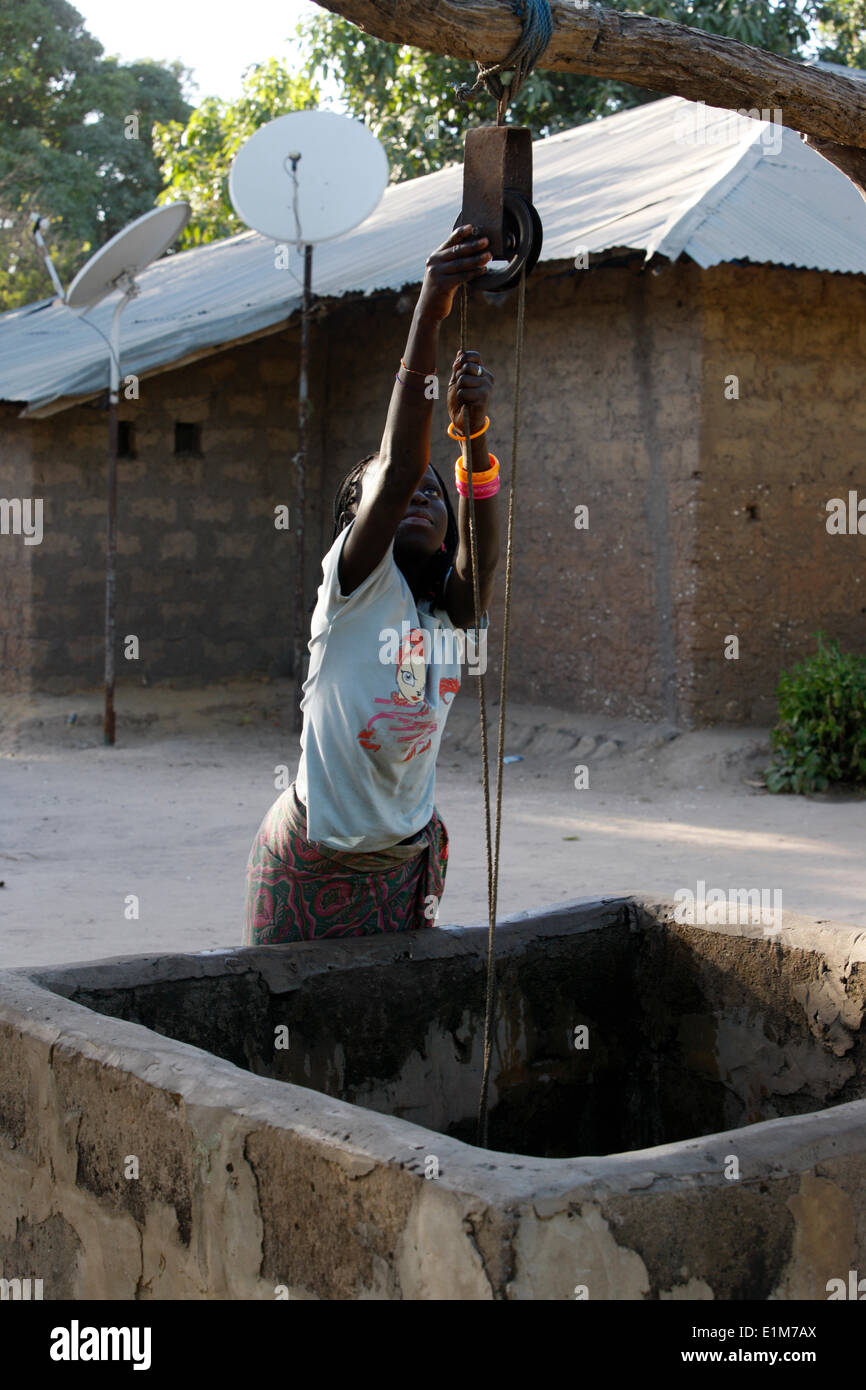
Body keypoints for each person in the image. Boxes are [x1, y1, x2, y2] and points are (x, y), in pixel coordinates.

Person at [243, 224, 501, 944]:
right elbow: (396, 466)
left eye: (435, 493)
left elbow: (482, 561)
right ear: (357, 520)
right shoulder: (354, 591)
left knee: (388, 1041)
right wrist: (432, 305)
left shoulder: (453, 616)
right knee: (285, 1030)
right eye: (397, 490)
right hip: (313, 860)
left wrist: (474, 436)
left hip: (402, 862)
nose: (422, 494)